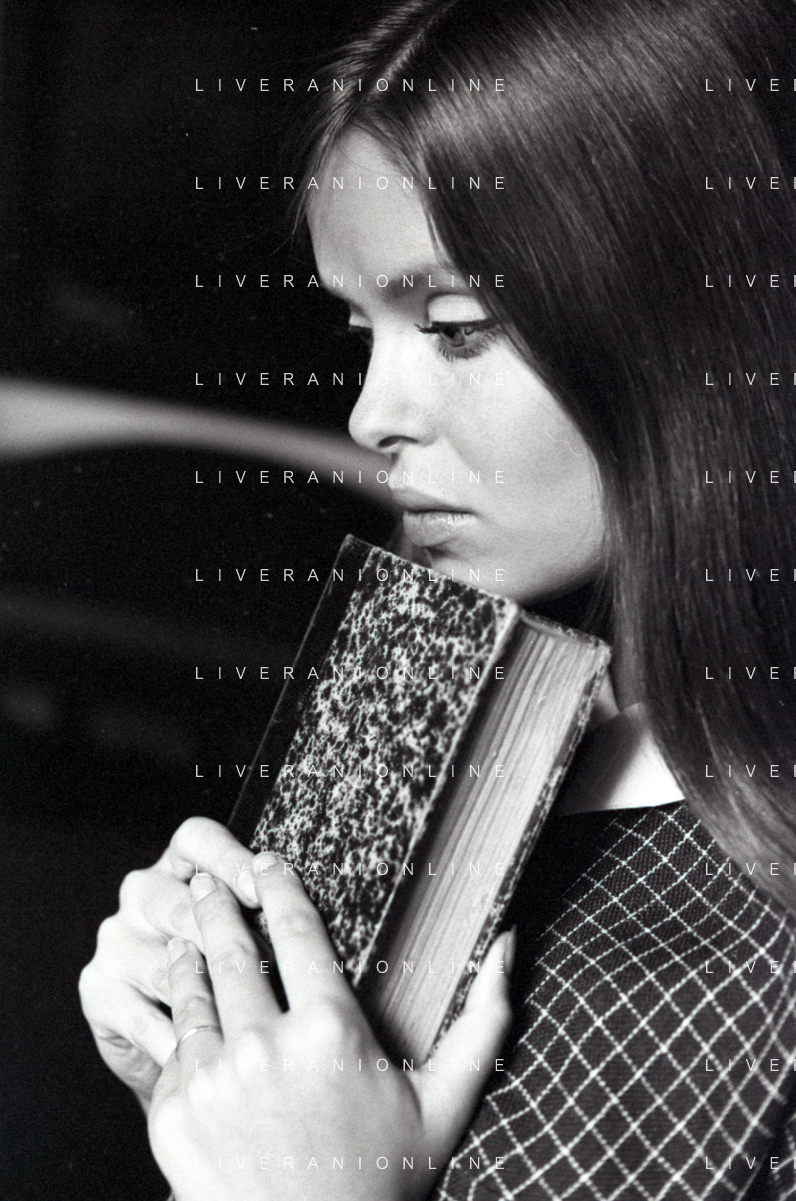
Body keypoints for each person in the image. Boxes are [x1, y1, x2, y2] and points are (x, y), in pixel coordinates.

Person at [79, 0, 796, 1196]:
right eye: (361, 328)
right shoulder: (427, 722)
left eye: (456, 327)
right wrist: (217, 1067)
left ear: (692, 324)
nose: (371, 414)